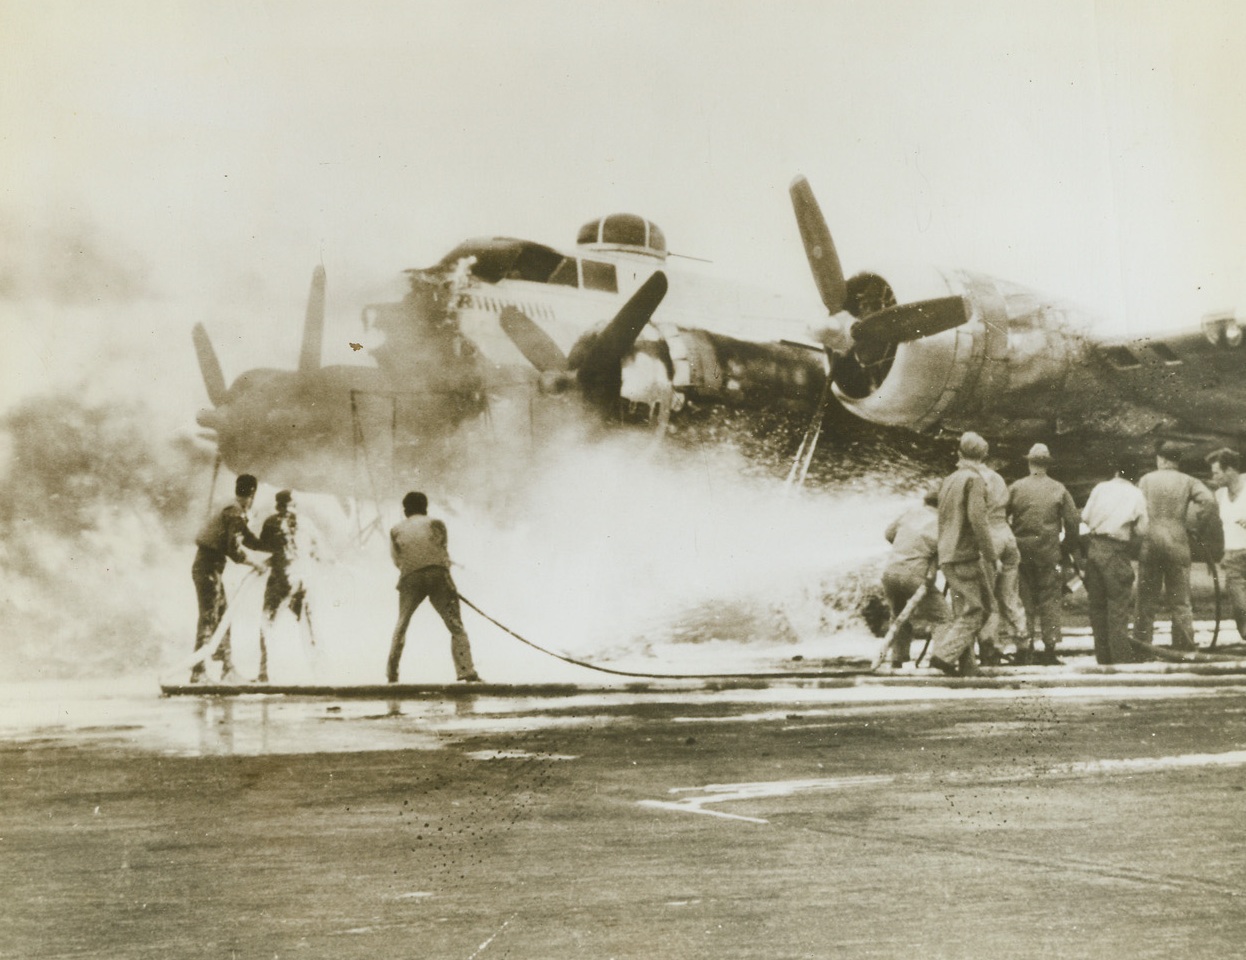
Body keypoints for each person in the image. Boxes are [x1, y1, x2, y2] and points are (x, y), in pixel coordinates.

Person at [387, 491, 482, 683]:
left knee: (402, 624)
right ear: (425, 508)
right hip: (437, 574)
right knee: (455, 625)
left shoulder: (395, 529)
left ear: (405, 510)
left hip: (410, 577)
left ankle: (392, 675)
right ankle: (466, 672)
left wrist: (413, 568)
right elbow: (442, 550)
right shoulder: (435, 523)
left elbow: (397, 559)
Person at [928, 432, 998, 677]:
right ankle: (944, 655)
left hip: (947, 553)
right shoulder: (974, 480)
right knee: (981, 609)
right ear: (984, 456)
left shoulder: (949, 479)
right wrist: (990, 554)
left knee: (966, 611)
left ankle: (967, 665)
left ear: (959, 454)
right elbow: (978, 519)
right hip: (965, 554)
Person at [1135, 441, 1216, 651]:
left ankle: (1143, 646)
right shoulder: (1188, 481)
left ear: (1160, 459)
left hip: (1151, 543)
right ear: (1177, 461)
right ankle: (1184, 646)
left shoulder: (1146, 480)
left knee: (1146, 601)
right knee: (1180, 601)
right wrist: (1198, 526)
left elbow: (1134, 507)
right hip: (1178, 543)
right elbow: (1209, 501)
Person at [1006, 443, 1081, 665]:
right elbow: (1073, 521)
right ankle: (1049, 650)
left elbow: (1000, 516)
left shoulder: (1016, 488)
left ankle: (1024, 648)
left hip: (1021, 552)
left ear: (1029, 462)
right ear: (1047, 464)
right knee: (1050, 600)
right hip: (1049, 553)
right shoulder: (1059, 489)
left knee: (1023, 601)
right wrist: (1067, 546)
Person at [190, 474, 268, 683]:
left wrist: (269, 548)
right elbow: (233, 549)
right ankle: (198, 672)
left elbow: (248, 539)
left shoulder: (232, 509)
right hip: (208, 568)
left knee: (223, 616)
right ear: (252, 494)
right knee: (209, 618)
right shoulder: (234, 512)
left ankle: (227, 668)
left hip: (209, 568)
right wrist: (256, 563)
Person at [1080, 458, 1147, 664]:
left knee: (1097, 606)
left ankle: (1103, 658)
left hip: (1095, 547)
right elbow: (1143, 529)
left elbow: (1085, 516)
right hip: (1117, 550)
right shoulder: (1136, 494)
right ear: (1135, 477)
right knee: (1118, 606)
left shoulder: (1100, 488)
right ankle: (1120, 659)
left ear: (1117, 471)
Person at [881, 485, 950, 668]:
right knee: (942, 617)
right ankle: (941, 659)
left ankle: (897, 659)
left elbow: (889, 534)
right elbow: (945, 553)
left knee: (898, 616)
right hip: (915, 574)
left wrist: (906, 546)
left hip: (890, 571)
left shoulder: (910, 513)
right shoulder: (942, 523)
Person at [971, 447, 1027, 665]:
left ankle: (990, 648)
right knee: (1010, 596)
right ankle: (1022, 643)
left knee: (989, 598)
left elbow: (975, 516)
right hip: (1007, 535)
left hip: (989, 538)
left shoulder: (972, 479)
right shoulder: (998, 478)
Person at [256, 490, 316, 683]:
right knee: (308, 626)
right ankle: (317, 671)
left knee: (267, 622)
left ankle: (264, 672)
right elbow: (315, 549)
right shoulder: (306, 522)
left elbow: (264, 546)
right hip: (303, 579)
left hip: (282, 579)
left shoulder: (272, 522)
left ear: (278, 506)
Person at [1206, 448, 1246, 641]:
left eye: (1217, 472)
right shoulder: (1220, 494)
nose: (1214, 477)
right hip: (1232, 556)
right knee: (1240, 606)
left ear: (1230, 470)